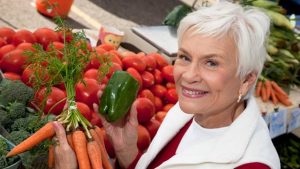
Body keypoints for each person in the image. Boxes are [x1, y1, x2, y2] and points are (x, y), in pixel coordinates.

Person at [52, 1, 280, 169]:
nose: (189, 75)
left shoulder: (251, 165)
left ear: (246, 80)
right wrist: (128, 153)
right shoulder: (190, 111)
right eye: (184, 57)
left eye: (211, 63)